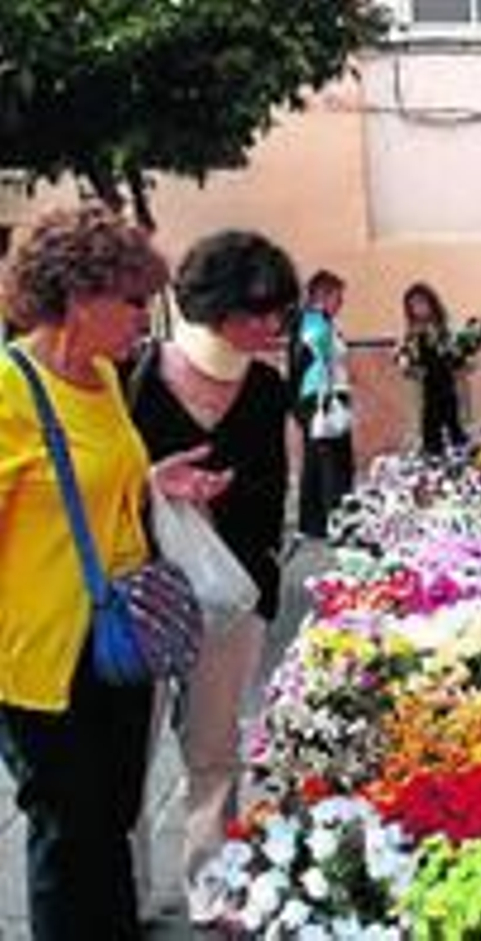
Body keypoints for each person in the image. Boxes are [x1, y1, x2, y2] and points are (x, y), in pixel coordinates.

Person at [0, 204, 227, 940]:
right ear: (77, 295)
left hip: (123, 643)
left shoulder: (100, 375)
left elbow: (99, 486)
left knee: (114, 821)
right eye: (133, 301)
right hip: (45, 659)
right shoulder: (8, 393)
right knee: (71, 838)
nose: (144, 319)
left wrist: (156, 482)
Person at [125, 230, 297, 923]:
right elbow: (107, 486)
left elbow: (272, 489)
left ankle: (210, 885)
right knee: (127, 757)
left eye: (277, 310)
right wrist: (160, 487)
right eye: (257, 309)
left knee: (214, 749)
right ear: (215, 305)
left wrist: (222, 491)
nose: (270, 324)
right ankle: (126, 889)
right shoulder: (137, 374)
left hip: (232, 596)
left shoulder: (265, 386)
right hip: (142, 594)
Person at [288, 268, 352, 540]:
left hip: (315, 396)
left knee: (316, 461)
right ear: (322, 295)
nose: (341, 302)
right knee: (333, 461)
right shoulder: (315, 323)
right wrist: (324, 398)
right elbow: (311, 360)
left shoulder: (314, 321)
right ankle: (337, 521)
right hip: (322, 397)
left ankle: (312, 523)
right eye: (338, 296)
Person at [399, 281, 467, 455]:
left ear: (432, 303)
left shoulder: (443, 329)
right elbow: (403, 357)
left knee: (455, 426)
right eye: (413, 305)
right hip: (426, 388)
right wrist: (406, 364)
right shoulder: (411, 333)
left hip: (449, 385)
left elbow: (457, 356)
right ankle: (433, 459)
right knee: (430, 430)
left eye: (422, 303)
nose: (418, 308)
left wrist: (461, 357)